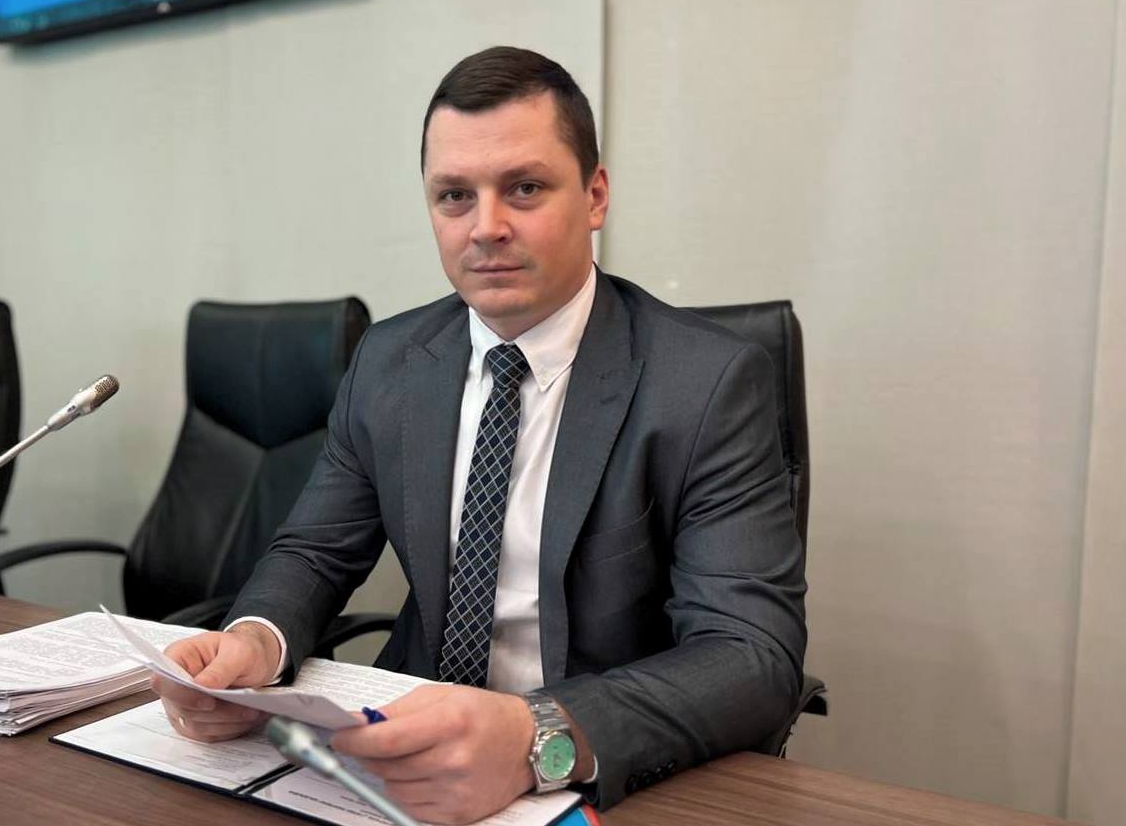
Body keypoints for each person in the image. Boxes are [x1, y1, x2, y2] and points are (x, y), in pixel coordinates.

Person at [151, 46, 807, 825]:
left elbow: (750, 654)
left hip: (606, 775)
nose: (486, 227)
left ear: (595, 195)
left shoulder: (708, 382)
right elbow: (315, 551)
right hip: (403, 760)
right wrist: (256, 642)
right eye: (455, 195)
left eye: (524, 188)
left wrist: (538, 733)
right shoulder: (390, 360)